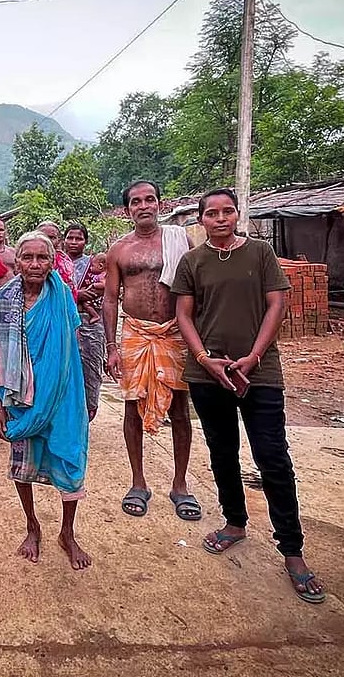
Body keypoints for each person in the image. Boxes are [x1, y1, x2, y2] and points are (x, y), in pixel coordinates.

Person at [172, 188, 325, 604]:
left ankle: (293, 551)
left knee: (273, 458)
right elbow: (184, 315)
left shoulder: (260, 253)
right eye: (212, 213)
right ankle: (234, 523)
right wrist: (205, 360)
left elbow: (276, 305)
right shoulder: (192, 261)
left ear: (238, 215)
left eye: (228, 211)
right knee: (222, 452)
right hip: (208, 375)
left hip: (260, 374)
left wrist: (254, 357)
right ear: (201, 220)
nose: (220, 219)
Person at [0, 232, 92, 570]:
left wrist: (86, 394)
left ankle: (67, 532)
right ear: (16, 261)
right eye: (28, 258)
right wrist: (0, 405)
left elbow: (71, 349)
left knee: (70, 460)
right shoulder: (2, 301)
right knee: (23, 463)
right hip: (20, 398)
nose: (35, 264)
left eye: (42, 258)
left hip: (63, 394)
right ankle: (32, 525)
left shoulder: (63, 296)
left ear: (52, 261)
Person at [103, 181, 199, 521]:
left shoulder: (179, 240)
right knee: (132, 406)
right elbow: (110, 298)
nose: (144, 206)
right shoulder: (119, 250)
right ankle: (138, 482)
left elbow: (193, 288)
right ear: (127, 209)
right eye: (136, 202)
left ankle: (180, 485)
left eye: (150, 199)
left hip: (174, 333)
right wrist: (111, 346)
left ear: (159, 203)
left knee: (179, 408)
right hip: (135, 334)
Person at [64, 222, 105, 422]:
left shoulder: (94, 263)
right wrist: (77, 294)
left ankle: (88, 411)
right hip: (64, 321)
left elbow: (100, 288)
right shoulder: (56, 264)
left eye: (78, 238)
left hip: (90, 321)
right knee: (64, 368)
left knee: (90, 366)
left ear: (85, 242)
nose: (73, 242)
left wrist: (78, 295)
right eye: (70, 237)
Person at [36, 221, 77, 295]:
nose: (47, 240)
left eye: (52, 237)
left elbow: (71, 291)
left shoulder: (65, 264)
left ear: (58, 240)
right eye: (43, 236)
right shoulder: (27, 261)